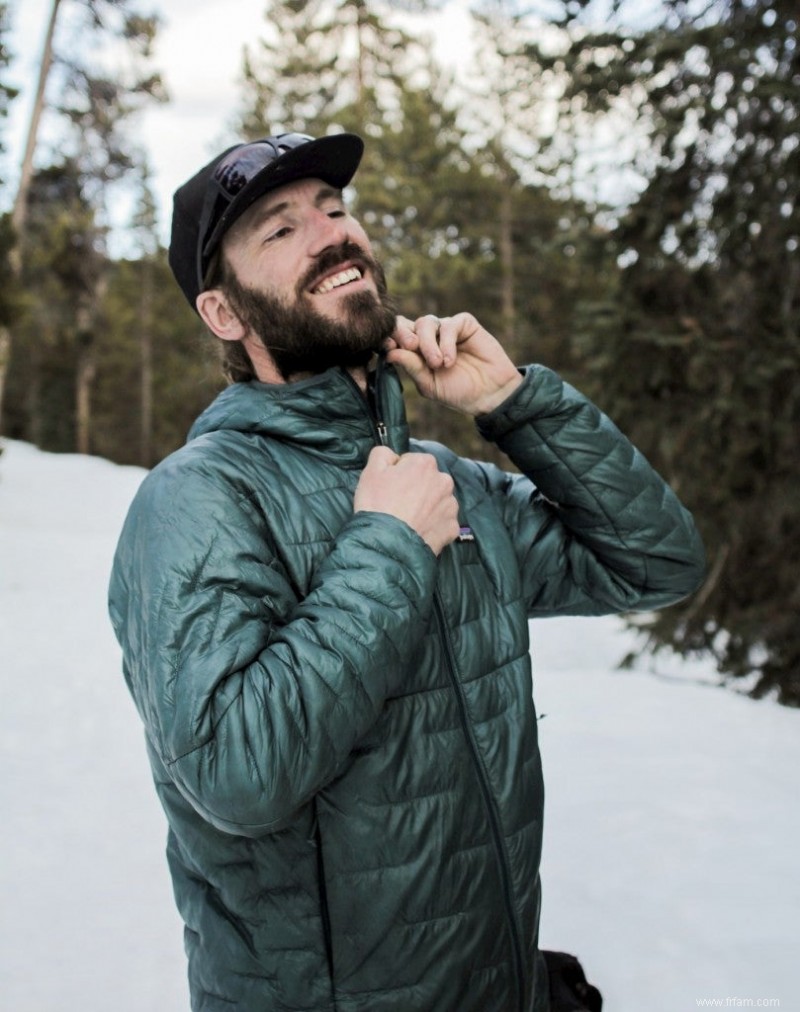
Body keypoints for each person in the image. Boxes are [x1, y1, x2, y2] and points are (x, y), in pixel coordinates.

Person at [108, 131, 705, 1012]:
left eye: (335, 210)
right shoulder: (197, 498)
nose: (330, 234)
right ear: (224, 314)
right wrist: (386, 546)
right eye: (280, 231)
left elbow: (654, 561)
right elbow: (236, 773)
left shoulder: (441, 478)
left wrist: (514, 402)